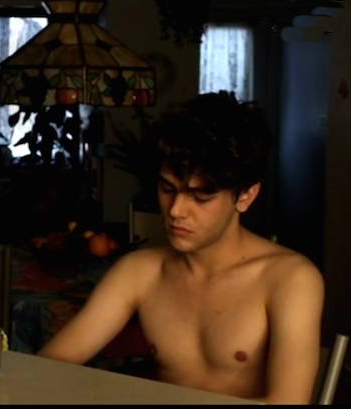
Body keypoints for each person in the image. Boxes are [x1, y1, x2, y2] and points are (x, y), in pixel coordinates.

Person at [38, 91, 324, 404]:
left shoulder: (290, 279)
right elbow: (53, 363)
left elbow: (288, 402)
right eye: (167, 188)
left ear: (246, 196)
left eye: (200, 197)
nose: (176, 210)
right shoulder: (141, 270)